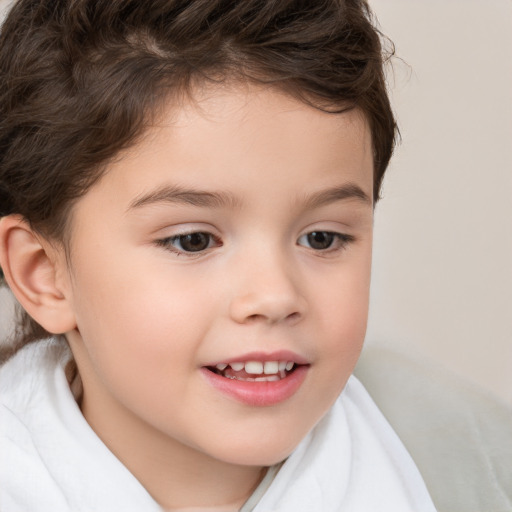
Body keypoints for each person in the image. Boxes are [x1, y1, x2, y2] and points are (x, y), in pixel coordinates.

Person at [0, 1, 437, 510]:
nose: (275, 296)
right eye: (193, 240)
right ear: (45, 275)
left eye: (322, 238)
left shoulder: (469, 461)